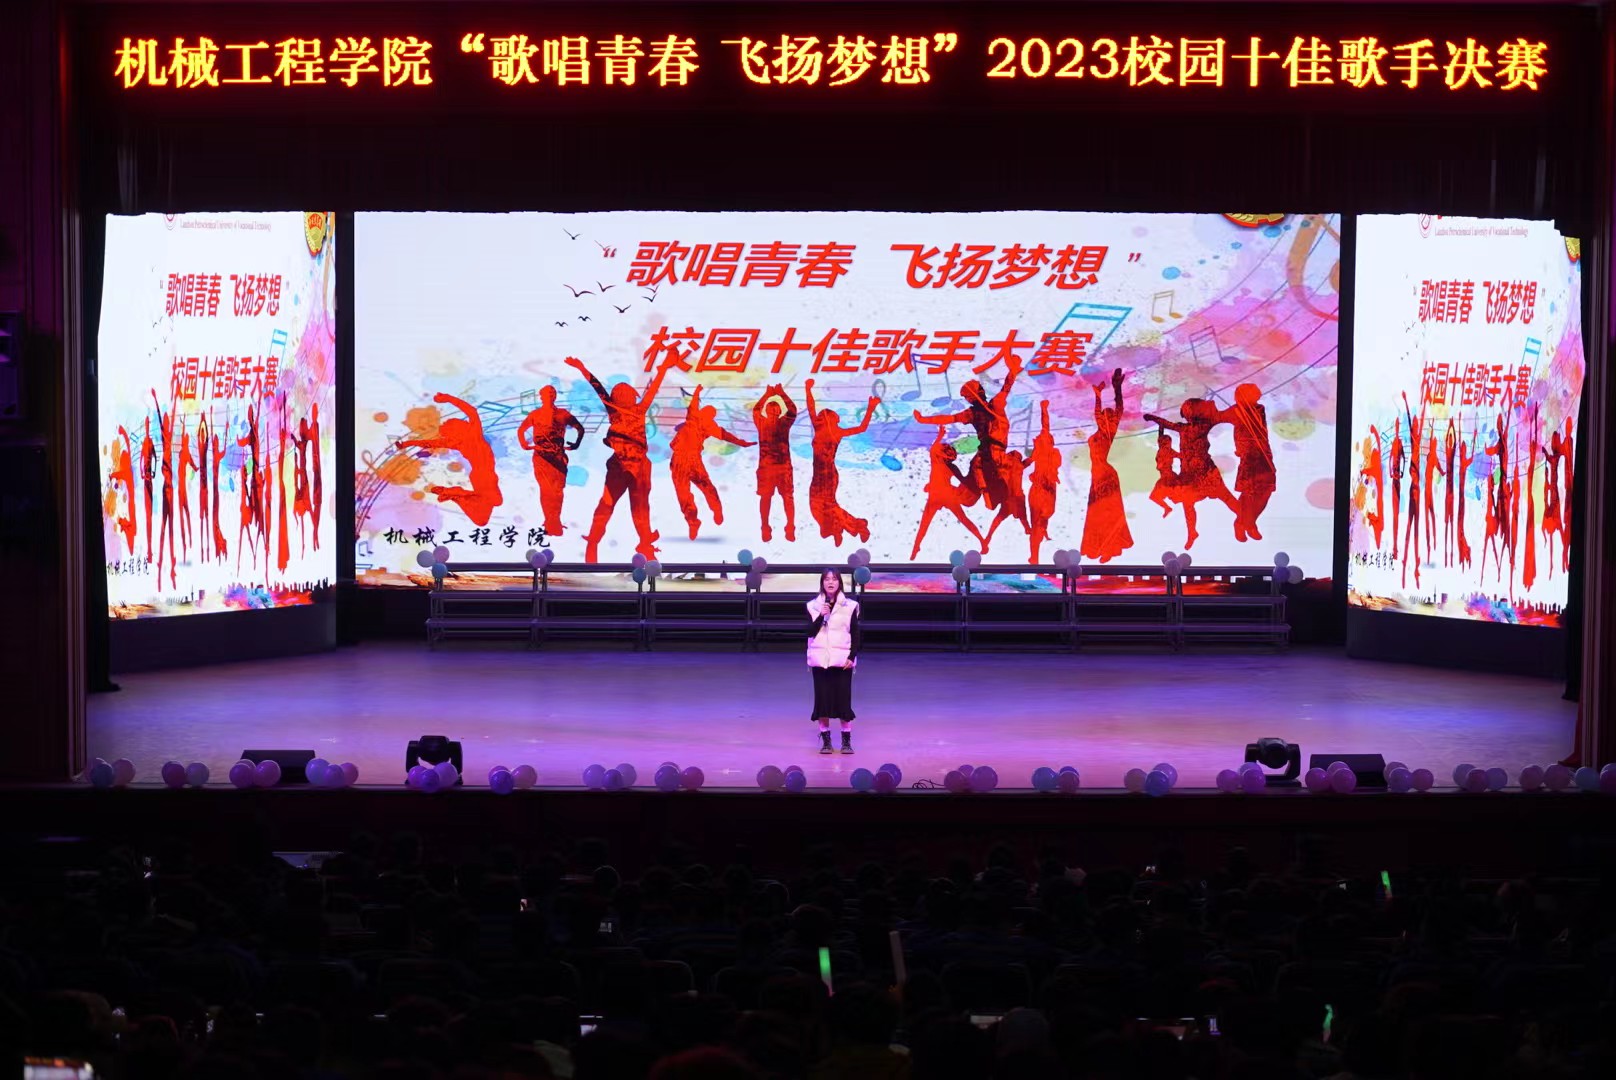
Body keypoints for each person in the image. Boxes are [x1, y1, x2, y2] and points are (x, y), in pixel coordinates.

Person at [569, 355, 677, 562]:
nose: (627, 397)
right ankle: (594, 542)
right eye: (623, 394)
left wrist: (663, 369)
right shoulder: (621, 412)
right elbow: (600, 389)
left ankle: (643, 544)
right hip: (621, 466)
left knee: (638, 508)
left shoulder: (636, 411)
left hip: (638, 467)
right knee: (613, 505)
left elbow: (650, 389)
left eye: (627, 393)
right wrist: (582, 368)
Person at [516, 385, 585, 538]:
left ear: (555, 396)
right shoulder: (535, 414)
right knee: (546, 490)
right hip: (541, 457)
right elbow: (521, 430)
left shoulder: (563, 414)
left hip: (558, 457)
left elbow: (580, 428)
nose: (549, 396)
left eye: (551, 394)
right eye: (546, 394)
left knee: (557, 490)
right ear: (541, 397)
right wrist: (524, 444)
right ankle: (549, 521)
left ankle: (556, 519)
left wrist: (576, 444)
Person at [807, 568, 861, 756]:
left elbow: (855, 633)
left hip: (842, 661)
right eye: (827, 579)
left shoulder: (850, 606)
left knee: (843, 701)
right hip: (820, 661)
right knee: (823, 702)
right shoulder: (812, 606)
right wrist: (821, 615)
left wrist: (852, 657)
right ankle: (826, 741)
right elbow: (809, 632)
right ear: (822, 583)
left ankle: (846, 741)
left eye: (834, 579)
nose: (830, 582)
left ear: (839, 583)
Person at [752, 383, 798, 543]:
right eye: (770, 409)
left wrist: (779, 393)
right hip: (768, 468)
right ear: (767, 411)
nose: (773, 411)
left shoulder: (782, 423)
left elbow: (792, 411)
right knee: (767, 498)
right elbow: (756, 410)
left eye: (775, 409)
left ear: (779, 412)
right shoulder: (762, 422)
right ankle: (765, 527)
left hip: (781, 467)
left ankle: (790, 527)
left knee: (787, 497)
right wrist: (772, 394)